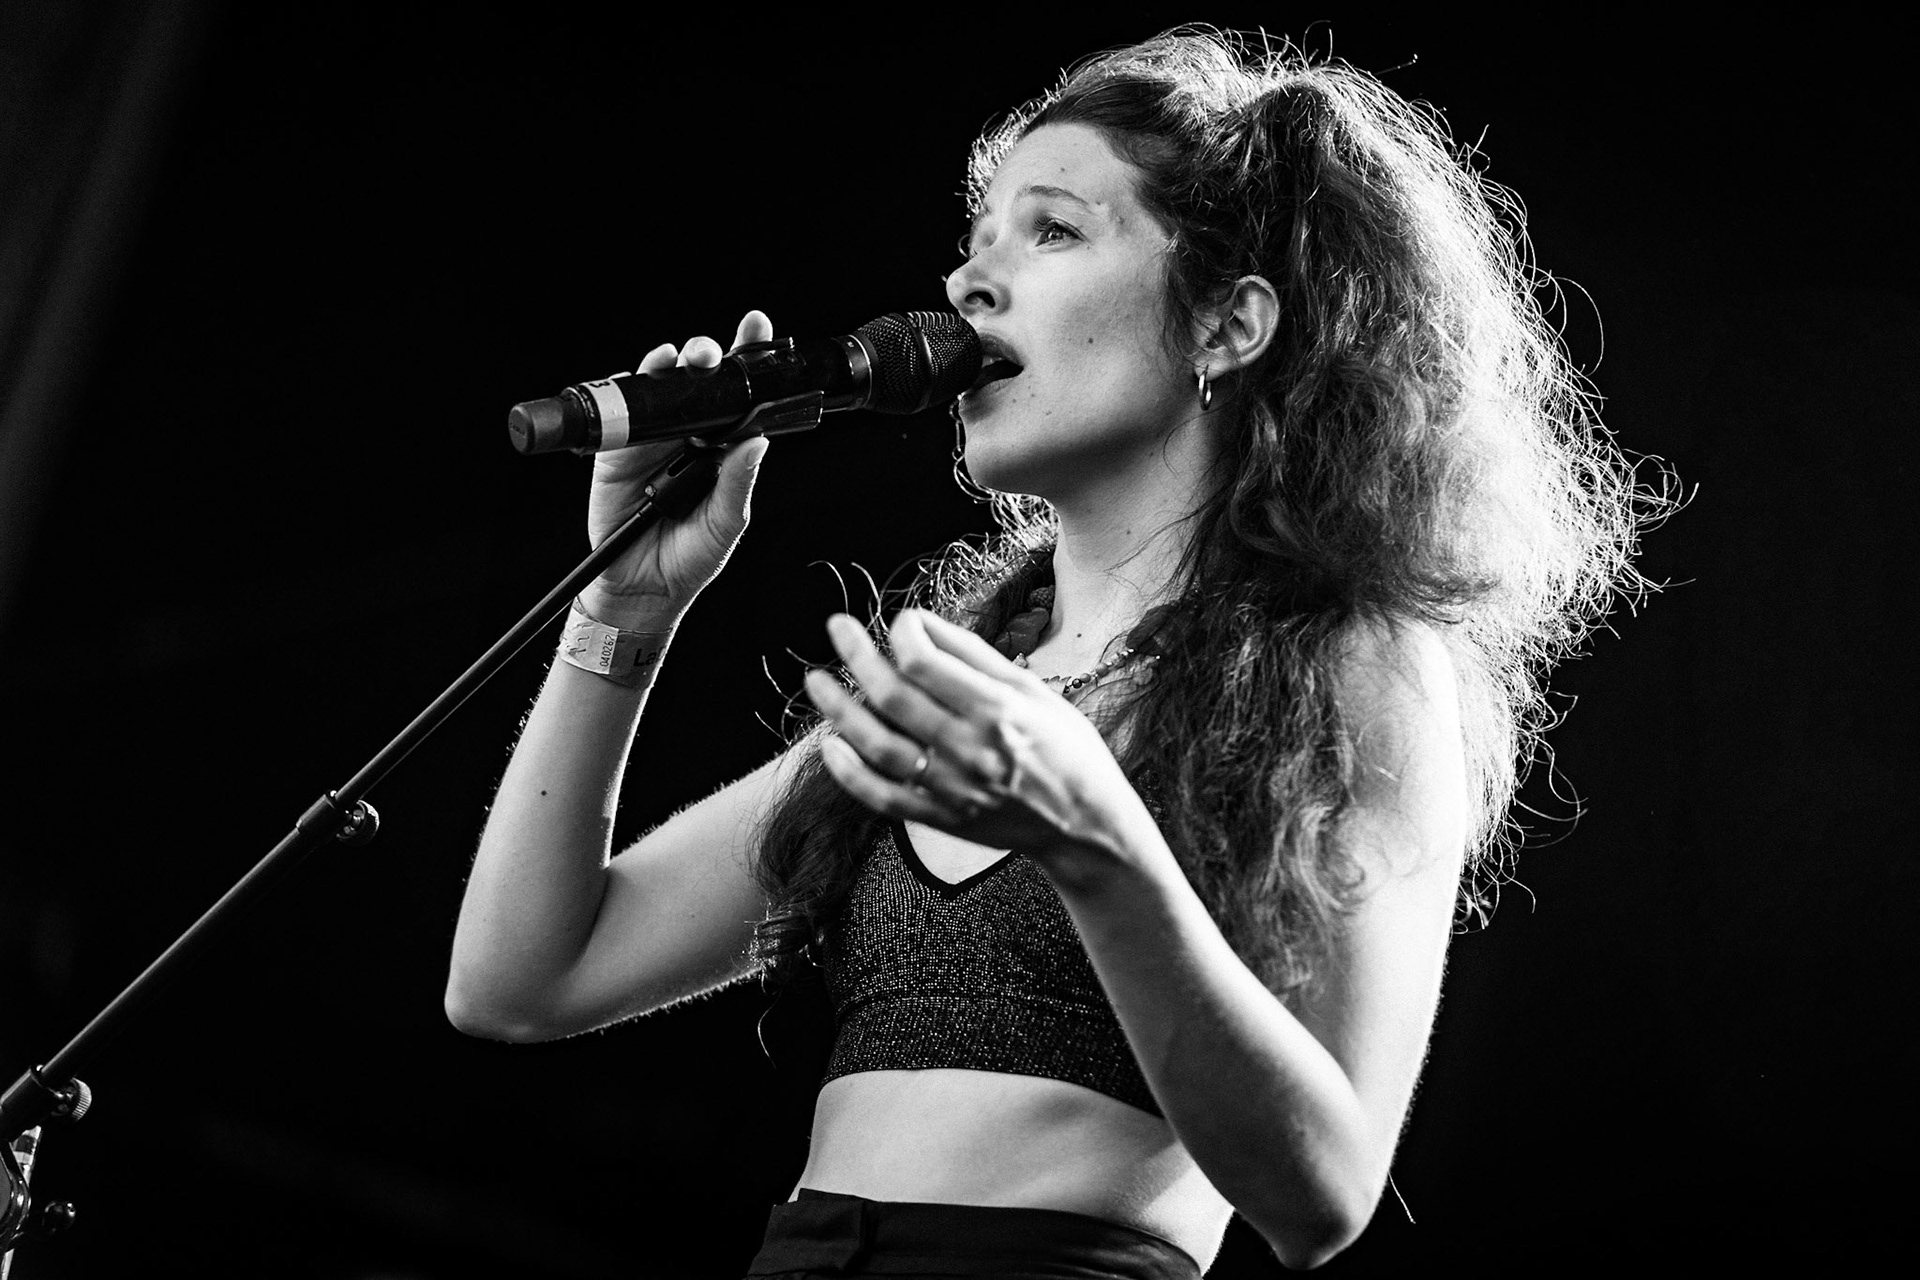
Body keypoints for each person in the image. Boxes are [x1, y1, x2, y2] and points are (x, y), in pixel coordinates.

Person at [445, 28, 1652, 1277]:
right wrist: (624, 616)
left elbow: (1325, 1192)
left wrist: (1093, 837)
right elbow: (523, 975)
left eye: (1054, 231)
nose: (971, 281)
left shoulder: (1346, 663)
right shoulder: (973, 679)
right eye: (979, 236)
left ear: (1229, 321)